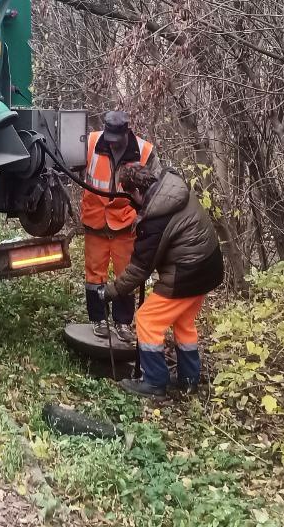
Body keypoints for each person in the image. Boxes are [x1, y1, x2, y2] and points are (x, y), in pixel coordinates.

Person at [105, 164, 224, 398]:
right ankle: (189, 380)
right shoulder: (172, 189)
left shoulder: (156, 218)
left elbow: (140, 268)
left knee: (147, 320)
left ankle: (154, 382)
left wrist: (112, 291)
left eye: (130, 196)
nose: (131, 202)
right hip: (209, 268)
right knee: (183, 322)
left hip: (187, 274)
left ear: (136, 191)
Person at [82, 110, 158, 344]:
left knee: (125, 274)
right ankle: (98, 319)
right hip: (95, 219)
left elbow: (155, 188)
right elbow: (69, 167)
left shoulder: (144, 151)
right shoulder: (91, 142)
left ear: (126, 133)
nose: (112, 144)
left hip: (125, 222)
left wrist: (146, 217)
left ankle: (122, 322)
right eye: (110, 139)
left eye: (117, 140)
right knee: (94, 275)